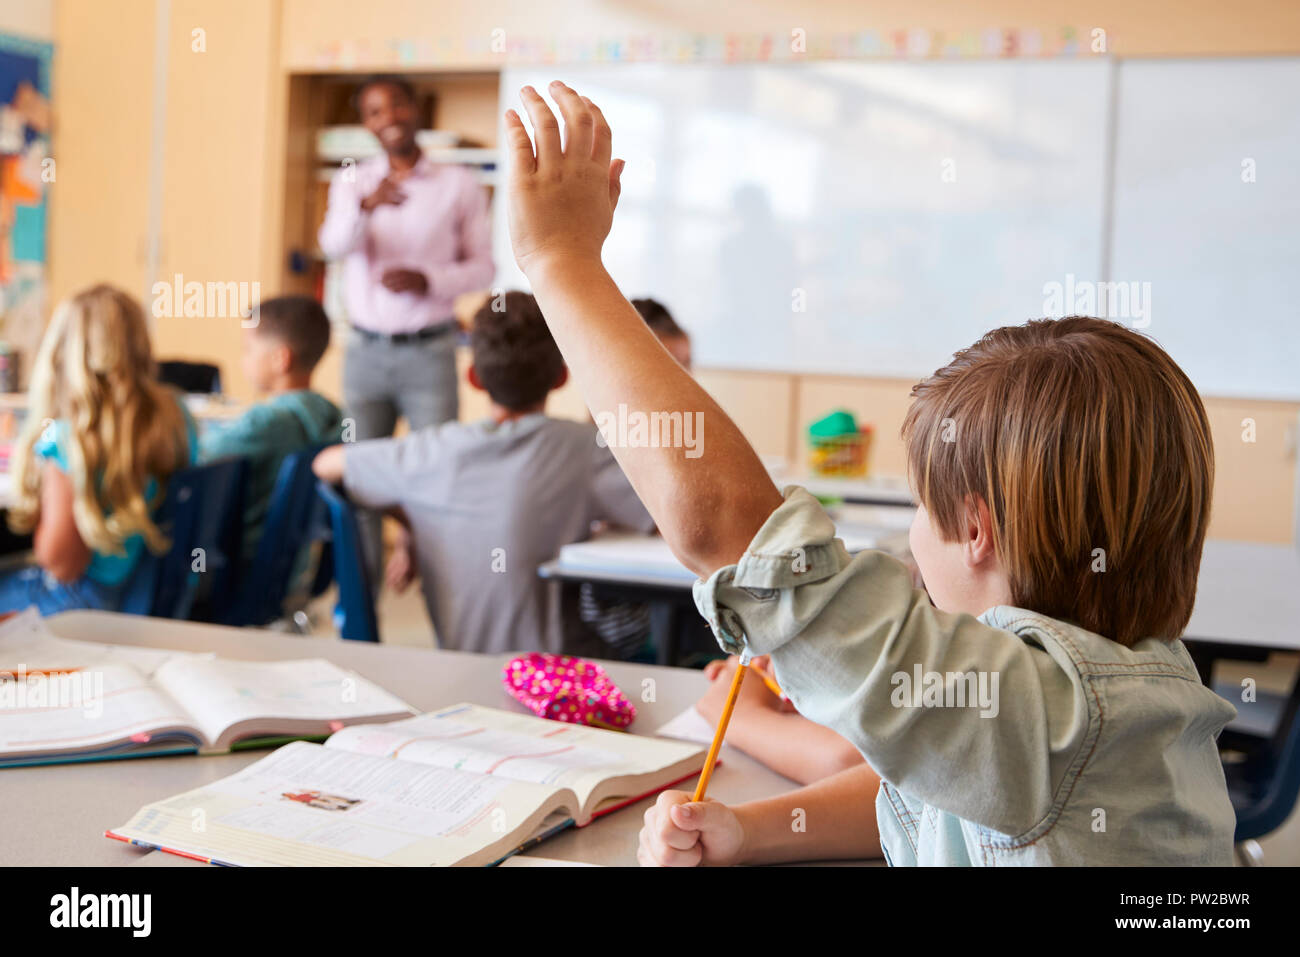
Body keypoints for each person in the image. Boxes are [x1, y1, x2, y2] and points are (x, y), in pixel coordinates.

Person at [500, 82, 1235, 866]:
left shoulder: (1054, 715)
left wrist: (562, 262)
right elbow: (924, 787)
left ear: (978, 530)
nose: (913, 536)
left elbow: (731, 533)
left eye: (923, 506)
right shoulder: (1099, 683)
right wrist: (751, 831)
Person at [313, 292, 654, 654]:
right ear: (561, 377)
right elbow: (668, 516)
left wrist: (413, 519)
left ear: (473, 377)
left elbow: (327, 464)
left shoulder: (429, 452)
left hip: (461, 667)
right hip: (562, 677)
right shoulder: (585, 449)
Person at [317, 74, 493, 583]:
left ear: (415, 109)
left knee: (436, 478)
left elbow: (483, 268)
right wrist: (364, 207)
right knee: (360, 481)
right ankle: (361, 609)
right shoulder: (352, 183)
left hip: (429, 352)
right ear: (365, 124)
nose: (388, 116)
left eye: (396, 104)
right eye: (374, 111)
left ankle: (435, 585)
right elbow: (332, 246)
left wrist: (428, 279)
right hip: (364, 354)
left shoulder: (458, 184)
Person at [0, 285, 196, 613]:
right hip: (140, 592)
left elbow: (62, 566)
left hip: (83, 603)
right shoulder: (176, 415)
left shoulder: (67, 439)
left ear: (62, 351)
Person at [199, 295, 343, 560]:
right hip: (292, 567)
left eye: (248, 349)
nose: (243, 359)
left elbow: (199, 454)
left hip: (239, 568)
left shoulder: (266, 424)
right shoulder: (331, 416)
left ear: (280, 359)